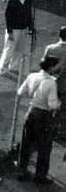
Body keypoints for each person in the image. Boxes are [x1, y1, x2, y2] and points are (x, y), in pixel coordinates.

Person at [16, 56, 61, 185]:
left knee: (26, 144)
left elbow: (20, 92)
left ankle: (21, 171)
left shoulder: (32, 76)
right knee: (44, 147)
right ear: (51, 67)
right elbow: (52, 105)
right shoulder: (51, 83)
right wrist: (59, 103)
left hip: (31, 111)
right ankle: (40, 176)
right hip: (44, 115)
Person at [0, 0, 34, 75]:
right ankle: (3, 69)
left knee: (19, 49)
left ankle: (13, 67)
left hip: (23, 28)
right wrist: (10, 32)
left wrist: (30, 28)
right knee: (9, 50)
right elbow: (8, 18)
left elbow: (29, 14)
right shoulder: (12, 2)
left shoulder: (27, 0)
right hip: (14, 29)